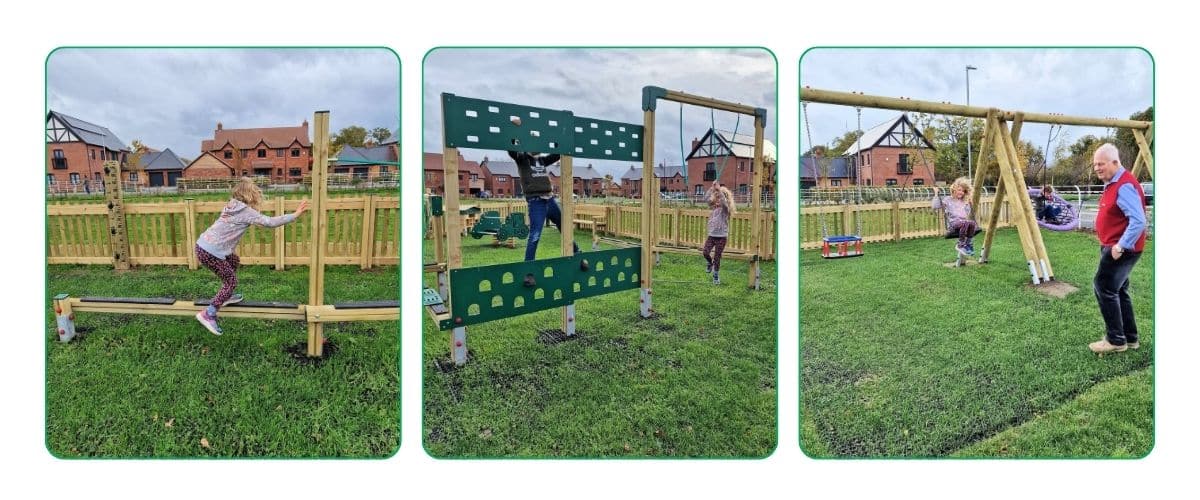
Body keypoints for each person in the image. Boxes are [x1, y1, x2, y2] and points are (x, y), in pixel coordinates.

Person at [194, 177, 308, 335]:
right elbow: (269, 222)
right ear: (250, 195)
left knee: (234, 261)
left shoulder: (231, 205)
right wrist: (294, 215)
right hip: (212, 252)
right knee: (231, 281)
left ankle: (227, 295)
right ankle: (209, 313)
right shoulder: (246, 211)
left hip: (202, 246)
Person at [1088, 143, 1148, 354]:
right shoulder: (1115, 182)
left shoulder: (1123, 185)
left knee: (1103, 287)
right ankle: (1130, 338)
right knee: (1118, 290)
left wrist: (1120, 246)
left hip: (1120, 249)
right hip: (1116, 246)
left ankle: (1115, 340)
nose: (1097, 168)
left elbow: (1139, 221)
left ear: (1115, 162)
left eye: (1101, 163)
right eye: (1095, 164)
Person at [508, 149, 586, 287]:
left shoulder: (542, 160)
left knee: (564, 226)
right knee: (535, 235)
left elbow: (557, 153)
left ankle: (577, 255)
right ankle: (529, 273)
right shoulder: (522, 159)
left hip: (550, 200)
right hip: (536, 201)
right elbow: (511, 149)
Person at [932, 177, 977, 256]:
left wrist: (969, 204)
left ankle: (969, 245)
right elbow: (935, 206)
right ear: (954, 190)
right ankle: (960, 245)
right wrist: (936, 194)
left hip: (963, 224)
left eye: (963, 191)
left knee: (972, 223)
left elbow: (966, 213)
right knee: (965, 223)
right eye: (959, 190)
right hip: (953, 225)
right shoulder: (948, 200)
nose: (961, 192)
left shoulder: (963, 201)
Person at [702, 183, 735, 284]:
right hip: (712, 236)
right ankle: (709, 263)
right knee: (705, 252)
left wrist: (719, 191)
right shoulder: (713, 208)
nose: (718, 200)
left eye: (719, 198)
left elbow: (724, 203)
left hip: (721, 237)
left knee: (717, 256)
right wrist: (712, 189)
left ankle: (716, 276)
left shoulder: (725, 210)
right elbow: (706, 199)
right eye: (716, 198)